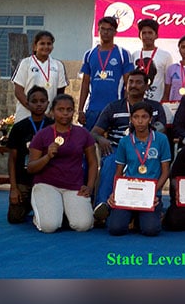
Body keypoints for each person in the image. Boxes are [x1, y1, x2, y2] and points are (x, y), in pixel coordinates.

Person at [91, 69, 167, 223]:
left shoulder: (156, 107)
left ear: (147, 86)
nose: (134, 85)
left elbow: (161, 128)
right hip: (116, 147)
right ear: (125, 85)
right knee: (112, 161)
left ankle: (147, 203)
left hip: (146, 148)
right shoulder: (113, 107)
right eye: (130, 82)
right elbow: (94, 132)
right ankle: (104, 205)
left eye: (139, 82)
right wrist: (101, 139)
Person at [26, 94, 97, 233]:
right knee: (49, 227)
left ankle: (63, 213)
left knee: (83, 225)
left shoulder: (83, 133)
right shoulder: (42, 135)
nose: (65, 113)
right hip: (46, 184)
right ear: (52, 111)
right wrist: (47, 156)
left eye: (69, 109)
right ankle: (42, 214)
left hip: (73, 185)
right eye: (60, 109)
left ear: (73, 112)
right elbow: (31, 167)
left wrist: (89, 187)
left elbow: (93, 162)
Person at [107, 102, 171, 236]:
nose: (140, 121)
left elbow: (165, 171)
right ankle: (132, 216)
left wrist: (154, 192)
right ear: (131, 119)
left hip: (151, 194)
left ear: (150, 119)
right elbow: (119, 171)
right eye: (136, 117)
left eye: (144, 117)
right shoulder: (125, 141)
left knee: (150, 230)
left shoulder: (161, 139)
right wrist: (115, 193)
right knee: (115, 229)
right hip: (128, 192)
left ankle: (147, 216)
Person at [6, 86, 54, 223]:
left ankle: (41, 207)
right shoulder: (19, 128)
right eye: (34, 101)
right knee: (15, 218)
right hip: (24, 181)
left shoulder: (53, 126)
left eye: (42, 101)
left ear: (48, 103)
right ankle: (30, 205)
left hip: (47, 180)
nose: (39, 104)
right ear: (27, 103)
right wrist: (14, 188)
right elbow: (12, 160)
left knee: (56, 219)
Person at [78, 16, 134, 130]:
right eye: (103, 29)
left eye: (109, 29)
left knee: (112, 144)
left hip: (115, 109)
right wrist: (80, 110)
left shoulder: (123, 54)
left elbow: (129, 84)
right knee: (90, 145)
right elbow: (85, 83)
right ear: (98, 30)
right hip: (93, 109)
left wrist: (127, 110)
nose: (105, 32)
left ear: (115, 32)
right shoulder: (89, 54)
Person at [11, 30, 68, 123]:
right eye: (42, 43)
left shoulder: (58, 65)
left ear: (52, 46)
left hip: (48, 116)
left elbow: (60, 93)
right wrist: (33, 108)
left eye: (49, 44)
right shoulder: (26, 63)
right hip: (26, 115)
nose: (46, 47)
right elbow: (18, 91)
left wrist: (53, 111)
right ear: (35, 46)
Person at [132, 18, 174, 102]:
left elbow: (168, 81)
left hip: (157, 101)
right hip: (137, 102)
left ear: (156, 35)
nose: (147, 36)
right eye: (144, 33)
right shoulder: (134, 55)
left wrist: (164, 100)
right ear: (139, 36)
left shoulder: (165, 56)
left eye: (150, 33)